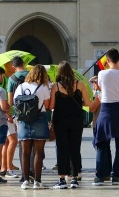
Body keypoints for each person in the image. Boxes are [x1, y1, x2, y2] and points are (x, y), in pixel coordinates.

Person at [49, 61, 93, 189]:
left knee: (62, 149)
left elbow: (51, 106)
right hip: (76, 121)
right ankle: (74, 178)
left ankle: (62, 179)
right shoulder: (80, 84)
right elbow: (88, 103)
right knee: (75, 148)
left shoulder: (56, 86)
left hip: (60, 121)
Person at [14, 64, 50, 190]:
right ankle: (37, 181)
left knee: (25, 153)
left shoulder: (21, 86)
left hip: (24, 120)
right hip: (39, 118)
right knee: (38, 153)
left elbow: (15, 102)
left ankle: (25, 181)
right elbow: (48, 105)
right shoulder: (44, 87)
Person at [93, 48, 119, 186]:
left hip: (106, 109)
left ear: (107, 60)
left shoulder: (102, 74)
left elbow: (102, 90)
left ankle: (100, 175)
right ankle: (117, 175)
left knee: (102, 143)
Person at [89, 75, 111, 181]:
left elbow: (92, 108)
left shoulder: (99, 94)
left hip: (98, 123)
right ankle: (107, 172)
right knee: (106, 148)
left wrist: (87, 102)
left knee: (100, 147)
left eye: (95, 82)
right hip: (106, 123)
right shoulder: (107, 92)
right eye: (93, 82)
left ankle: (101, 173)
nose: (93, 84)